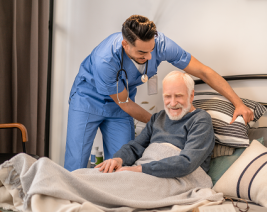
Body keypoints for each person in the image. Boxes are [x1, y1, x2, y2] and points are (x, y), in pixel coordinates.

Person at [65, 14, 254, 171]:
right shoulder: (104, 60)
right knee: (76, 163)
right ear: (125, 45)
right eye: (142, 53)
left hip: (122, 107)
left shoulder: (161, 44)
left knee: (120, 163)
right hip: (88, 101)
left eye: (151, 50)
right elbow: (125, 103)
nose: (149, 57)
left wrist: (238, 103)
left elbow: (203, 71)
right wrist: (162, 124)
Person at [96, 71, 214, 177]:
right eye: (167, 96)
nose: (172, 103)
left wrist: (139, 169)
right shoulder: (158, 117)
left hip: (171, 176)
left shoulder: (200, 119)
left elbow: (187, 162)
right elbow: (135, 147)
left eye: (178, 96)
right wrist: (118, 160)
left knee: (107, 185)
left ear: (191, 95)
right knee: (83, 175)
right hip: (144, 170)